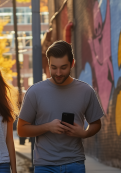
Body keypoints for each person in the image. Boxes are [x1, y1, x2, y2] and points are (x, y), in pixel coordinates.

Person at [18, 40, 104, 173]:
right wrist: (48, 127)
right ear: (48, 65)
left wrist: (84, 133)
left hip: (75, 163)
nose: (58, 73)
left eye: (63, 67)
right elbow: (21, 130)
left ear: (72, 64)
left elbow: (96, 123)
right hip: (45, 166)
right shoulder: (34, 92)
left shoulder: (86, 91)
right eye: (54, 67)